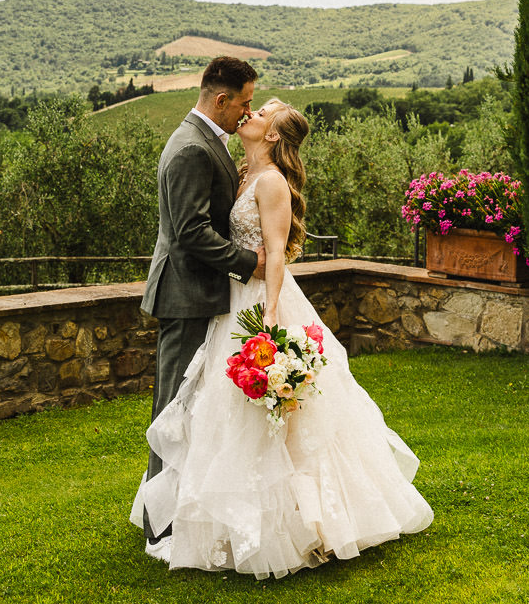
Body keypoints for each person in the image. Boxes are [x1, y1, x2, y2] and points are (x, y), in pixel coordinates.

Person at [131, 95, 433, 576]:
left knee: (267, 418)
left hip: (259, 302)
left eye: (262, 112)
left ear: (272, 135)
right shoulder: (243, 173)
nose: (251, 114)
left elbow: (275, 253)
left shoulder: (271, 183)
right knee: (216, 409)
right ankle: (208, 517)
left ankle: (292, 523)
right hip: (229, 299)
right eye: (251, 107)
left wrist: (268, 320)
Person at [137, 55, 267, 556]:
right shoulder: (192, 147)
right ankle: (160, 528)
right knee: (173, 409)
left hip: (197, 293)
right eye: (244, 103)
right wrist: (247, 262)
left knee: (190, 408)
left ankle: (180, 514)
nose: (245, 114)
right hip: (186, 295)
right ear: (221, 99)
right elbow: (191, 233)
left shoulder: (204, 139)